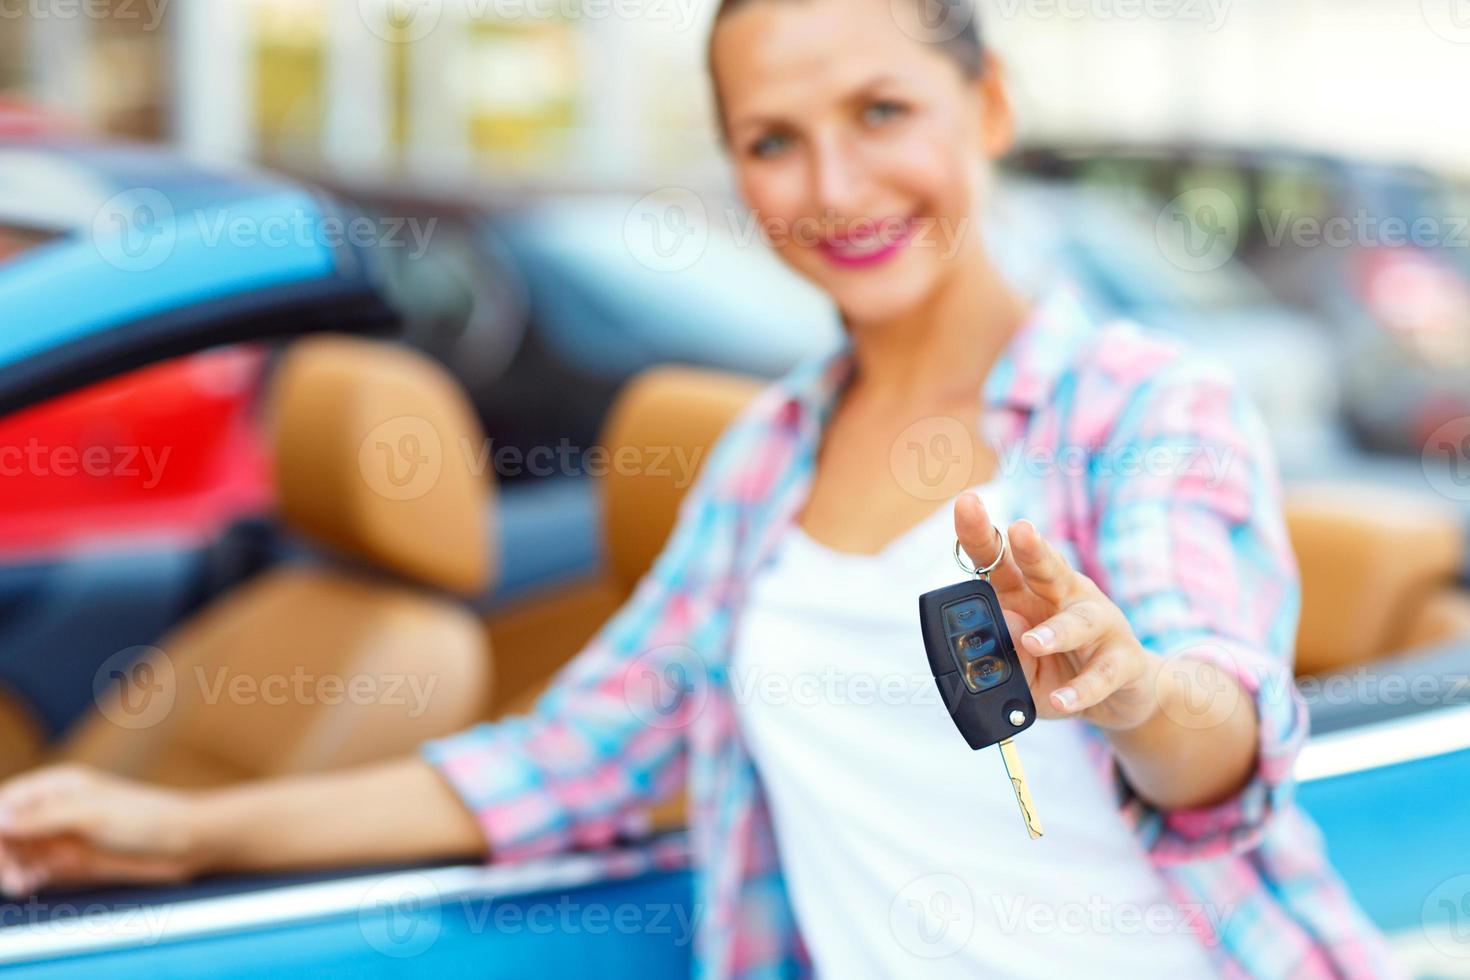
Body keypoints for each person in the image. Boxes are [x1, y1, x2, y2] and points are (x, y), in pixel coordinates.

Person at [0, 0, 1395, 976]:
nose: (833, 181)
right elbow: (564, 767)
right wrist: (180, 829)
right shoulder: (759, 464)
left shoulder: (1141, 403)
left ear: (986, 105)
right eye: (770, 139)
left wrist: (1133, 689)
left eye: (879, 111)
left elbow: (1223, 753)